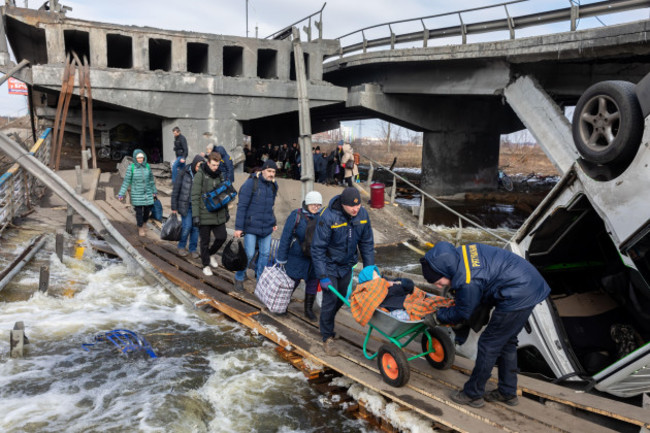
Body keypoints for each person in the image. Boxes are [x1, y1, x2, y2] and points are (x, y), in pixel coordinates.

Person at [421, 241, 551, 408]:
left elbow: (463, 312)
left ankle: (472, 394)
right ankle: (507, 392)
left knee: (488, 344)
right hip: (528, 282)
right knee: (507, 341)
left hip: (518, 293)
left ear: (447, 271)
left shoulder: (467, 280)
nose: (439, 286)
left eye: (439, 282)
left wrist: (438, 317)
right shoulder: (459, 254)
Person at [311, 187, 375, 356]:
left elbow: (366, 243)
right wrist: (322, 275)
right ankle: (327, 337)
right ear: (343, 204)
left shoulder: (362, 215)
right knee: (330, 300)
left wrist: (369, 269)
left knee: (341, 298)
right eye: (352, 206)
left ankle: (328, 323)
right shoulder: (328, 216)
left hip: (346, 265)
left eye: (359, 205)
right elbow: (317, 248)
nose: (356, 209)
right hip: (329, 264)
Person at [276, 190, 323, 321]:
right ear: (307, 203)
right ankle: (282, 305)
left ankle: (308, 310)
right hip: (297, 255)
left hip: (314, 258)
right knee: (291, 282)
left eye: (318, 205)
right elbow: (286, 237)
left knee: (313, 282)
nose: (316, 207)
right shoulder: (296, 216)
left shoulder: (322, 218)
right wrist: (281, 258)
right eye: (313, 204)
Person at [233, 159, 279, 291]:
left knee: (265, 254)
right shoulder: (251, 183)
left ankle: (260, 280)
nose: (271, 174)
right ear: (263, 170)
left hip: (267, 226)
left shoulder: (273, 186)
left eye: (274, 172)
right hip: (251, 225)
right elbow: (242, 206)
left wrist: (273, 221)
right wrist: (238, 228)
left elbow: (270, 206)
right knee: (249, 253)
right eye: (269, 171)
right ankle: (239, 277)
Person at [191, 152, 229, 276]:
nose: (215, 168)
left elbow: (224, 194)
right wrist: (195, 215)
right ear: (208, 163)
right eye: (213, 165)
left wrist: (226, 211)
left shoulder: (220, 175)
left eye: (217, 165)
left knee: (222, 237)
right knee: (204, 241)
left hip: (218, 213)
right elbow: (195, 196)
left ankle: (211, 253)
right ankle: (205, 265)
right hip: (204, 213)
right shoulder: (200, 175)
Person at [118, 149, 157, 237]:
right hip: (136, 193)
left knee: (147, 211)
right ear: (135, 158)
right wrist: (121, 193)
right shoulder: (131, 167)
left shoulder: (147, 166)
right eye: (138, 158)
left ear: (144, 157)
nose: (140, 159)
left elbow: (151, 180)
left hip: (147, 193)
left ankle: (144, 223)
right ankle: (140, 227)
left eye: (141, 158)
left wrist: (154, 191)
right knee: (139, 212)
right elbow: (126, 181)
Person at [171, 154, 203, 259]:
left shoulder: (203, 175)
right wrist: (174, 206)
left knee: (195, 229)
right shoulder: (183, 172)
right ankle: (181, 246)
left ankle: (193, 249)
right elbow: (176, 190)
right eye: (198, 166)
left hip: (197, 207)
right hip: (185, 205)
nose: (199, 169)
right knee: (187, 226)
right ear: (194, 164)